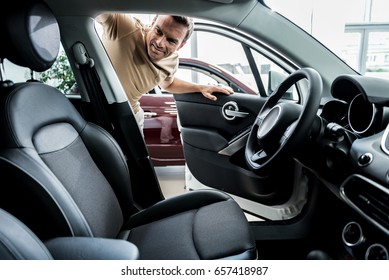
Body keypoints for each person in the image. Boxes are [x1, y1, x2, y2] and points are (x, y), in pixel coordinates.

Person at [95, 13, 233, 132]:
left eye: (171, 41)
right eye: (158, 31)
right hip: (96, 107)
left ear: (181, 45)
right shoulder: (125, 27)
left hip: (131, 115)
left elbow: (168, 84)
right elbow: (97, 8)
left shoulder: (172, 61)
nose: (160, 42)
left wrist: (200, 87)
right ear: (153, 23)